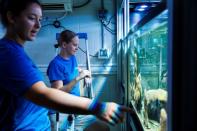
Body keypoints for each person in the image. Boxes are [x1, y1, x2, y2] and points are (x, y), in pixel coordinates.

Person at [0, 0, 131, 130]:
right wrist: (98, 107)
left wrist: (82, 73)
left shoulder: (16, 52)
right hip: (37, 124)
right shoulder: (10, 55)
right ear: (11, 17)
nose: (38, 25)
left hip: (44, 122)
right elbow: (44, 94)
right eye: (31, 18)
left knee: (100, 127)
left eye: (40, 19)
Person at [47, 30, 108, 131]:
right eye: (75, 45)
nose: (77, 48)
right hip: (61, 112)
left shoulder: (72, 58)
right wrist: (79, 78)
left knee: (103, 127)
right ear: (64, 45)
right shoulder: (55, 64)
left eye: (78, 45)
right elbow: (57, 93)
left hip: (75, 107)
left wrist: (84, 73)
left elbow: (74, 70)